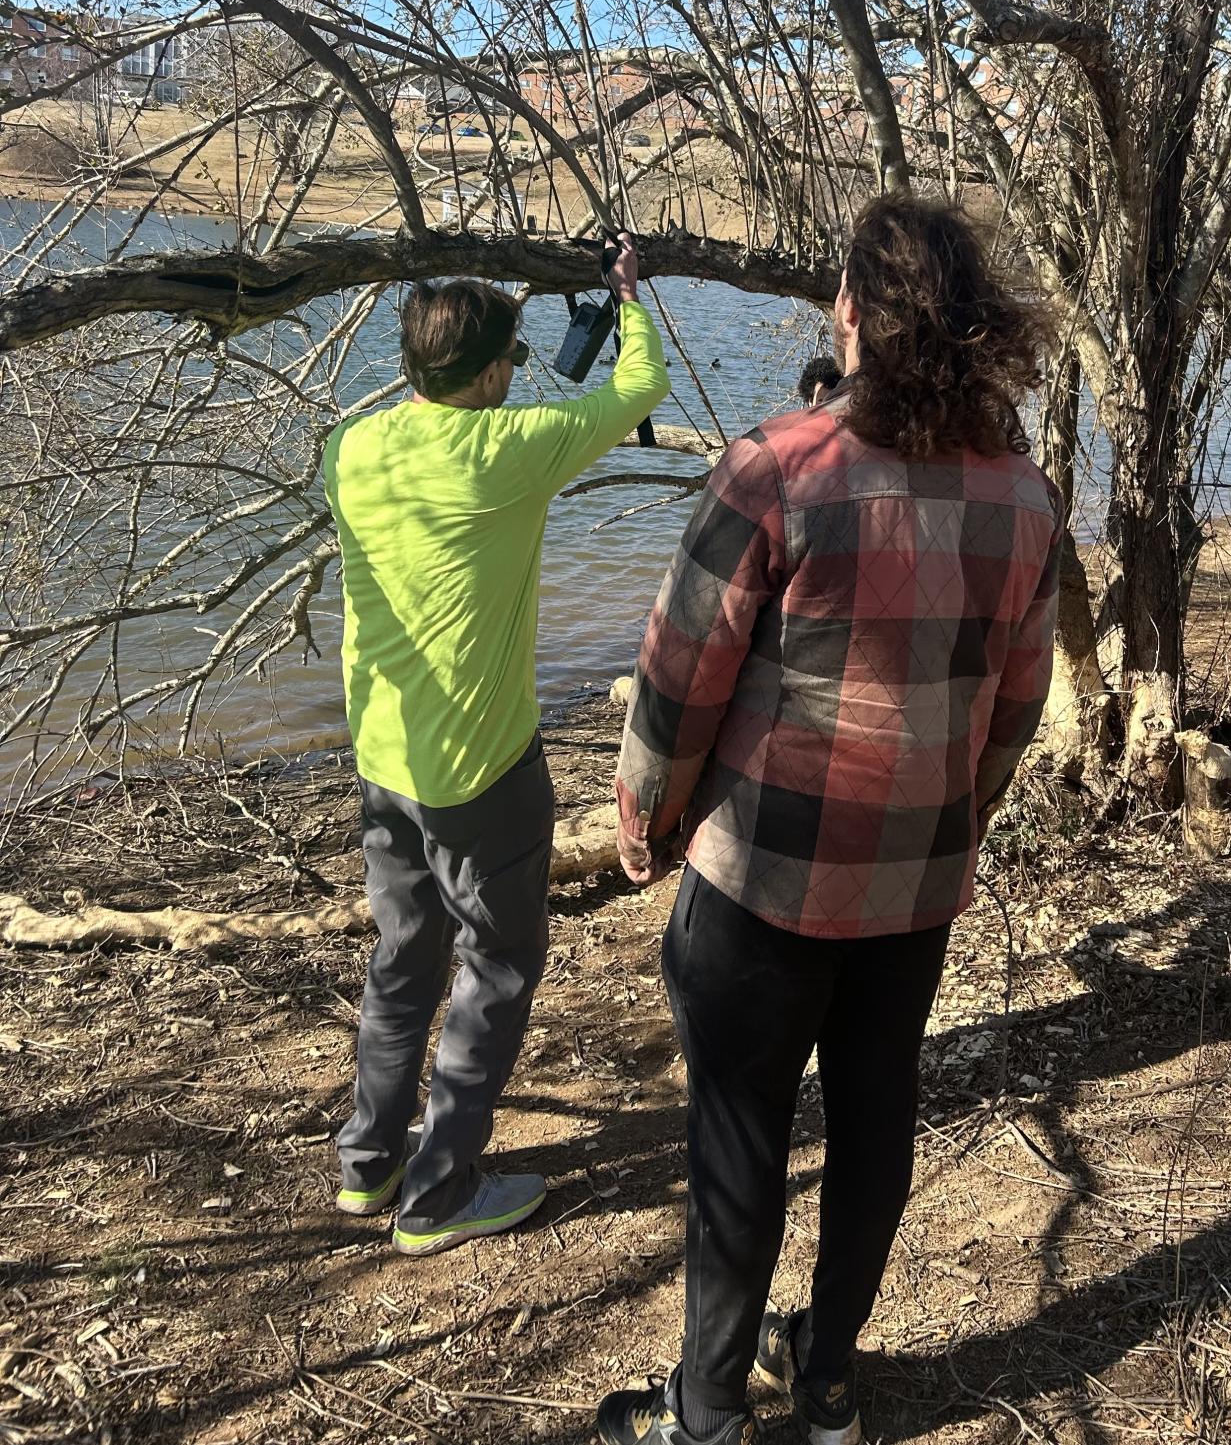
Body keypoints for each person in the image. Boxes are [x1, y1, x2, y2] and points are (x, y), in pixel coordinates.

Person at [598, 198, 1062, 1445]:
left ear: (850, 312)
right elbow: (1017, 708)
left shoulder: (776, 466)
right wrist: (949, 820)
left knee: (739, 1142)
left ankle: (705, 1415)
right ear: (975, 332)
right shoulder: (1026, 498)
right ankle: (830, 1385)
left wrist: (644, 816)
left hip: (760, 889)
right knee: (872, 1127)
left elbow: (679, 675)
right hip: (912, 892)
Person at [323, 236, 668, 1256]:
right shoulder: (512, 452)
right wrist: (628, 297)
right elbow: (638, 383)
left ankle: (367, 1162)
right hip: (480, 770)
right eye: (512, 363)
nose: (521, 375)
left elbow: (455, 451)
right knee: (499, 965)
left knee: (402, 959)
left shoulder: (353, 449)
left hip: (383, 759)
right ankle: (437, 1193)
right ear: (484, 375)